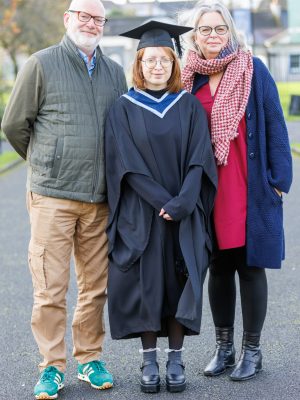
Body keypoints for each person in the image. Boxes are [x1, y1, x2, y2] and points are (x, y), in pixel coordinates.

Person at [1, 0, 127, 398]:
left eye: (98, 18)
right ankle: (52, 366)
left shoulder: (115, 73)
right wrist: (46, 164)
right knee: (50, 288)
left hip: (99, 199)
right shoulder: (41, 63)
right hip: (53, 197)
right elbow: (15, 124)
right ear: (68, 19)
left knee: (95, 287)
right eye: (84, 16)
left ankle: (89, 359)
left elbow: (122, 131)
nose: (91, 23)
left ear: (104, 25)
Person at [180, 0, 293, 381]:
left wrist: (278, 183)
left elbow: (276, 124)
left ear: (230, 31)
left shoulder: (252, 69)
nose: (213, 36)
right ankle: (224, 348)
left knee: (249, 265)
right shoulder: (189, 77)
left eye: (219, 28)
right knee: (218, 267)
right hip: (210, 189)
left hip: (249, 184)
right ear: (195, 36)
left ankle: (252, 351)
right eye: (205, 30)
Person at [105, 20, 217, 394]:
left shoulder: (187, 106)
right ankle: (149, 359)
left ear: (174, 64)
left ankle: (175, 359)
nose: (157, 66)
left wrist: (185, 201)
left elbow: (200, 158)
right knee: (147, 285)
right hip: (143, 213)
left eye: (164, 60)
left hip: (182, 213)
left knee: (179, 283)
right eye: (150, 59)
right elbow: (124, 163)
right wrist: (163, 202)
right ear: (139, 63)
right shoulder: (122, 108)